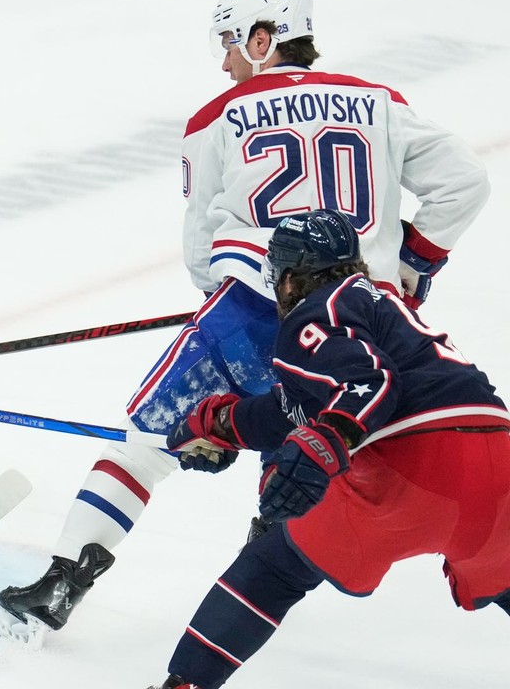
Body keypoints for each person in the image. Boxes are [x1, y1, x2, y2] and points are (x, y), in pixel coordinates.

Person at [0, 0, 491, 645]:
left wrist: (224, 327)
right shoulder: (380, 102)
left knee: (145, 446)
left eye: (231, 42)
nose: (224, 58)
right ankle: (264, 566)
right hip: (365, 322)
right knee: (309, 439)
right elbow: (465, 182)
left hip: (251, 311)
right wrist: (408, 270)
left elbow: (202, 249)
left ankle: (59, 586)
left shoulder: (215, 119)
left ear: (264, 40)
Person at [145, 208, 510, 689]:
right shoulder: (373, 306)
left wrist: (327, 441)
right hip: (497, 462)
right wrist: (218, 422)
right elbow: (292, 410)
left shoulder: (314, 313)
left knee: (276, 568)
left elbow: (370, 383)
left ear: (291, 275)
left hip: (411, 464)